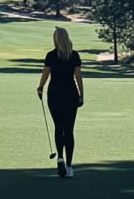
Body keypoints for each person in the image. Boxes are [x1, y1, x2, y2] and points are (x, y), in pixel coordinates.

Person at [37, 26, 84, 178]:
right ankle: (69, 167)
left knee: (58, 126)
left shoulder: (51, 55)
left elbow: (45, 74)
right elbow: (78, 76)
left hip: (54, 94)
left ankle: (60, 157)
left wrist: (40, 87)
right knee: (69, 129)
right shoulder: (74, 55)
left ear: (56, 39)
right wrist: (81, 94)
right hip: (70, 94)